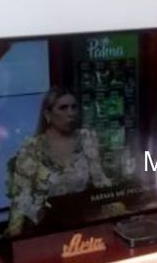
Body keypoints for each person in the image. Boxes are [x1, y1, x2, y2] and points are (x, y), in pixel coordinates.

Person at [6, 87, 112, 235]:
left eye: (74, 107)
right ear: (47, 114)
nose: (71, 113)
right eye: (63, 108)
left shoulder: (86, 138)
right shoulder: (32, 148)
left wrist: (118, 209)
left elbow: (100, 182)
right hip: (44, 227)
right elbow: (21, 199)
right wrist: (14, 238)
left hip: (81, 221)